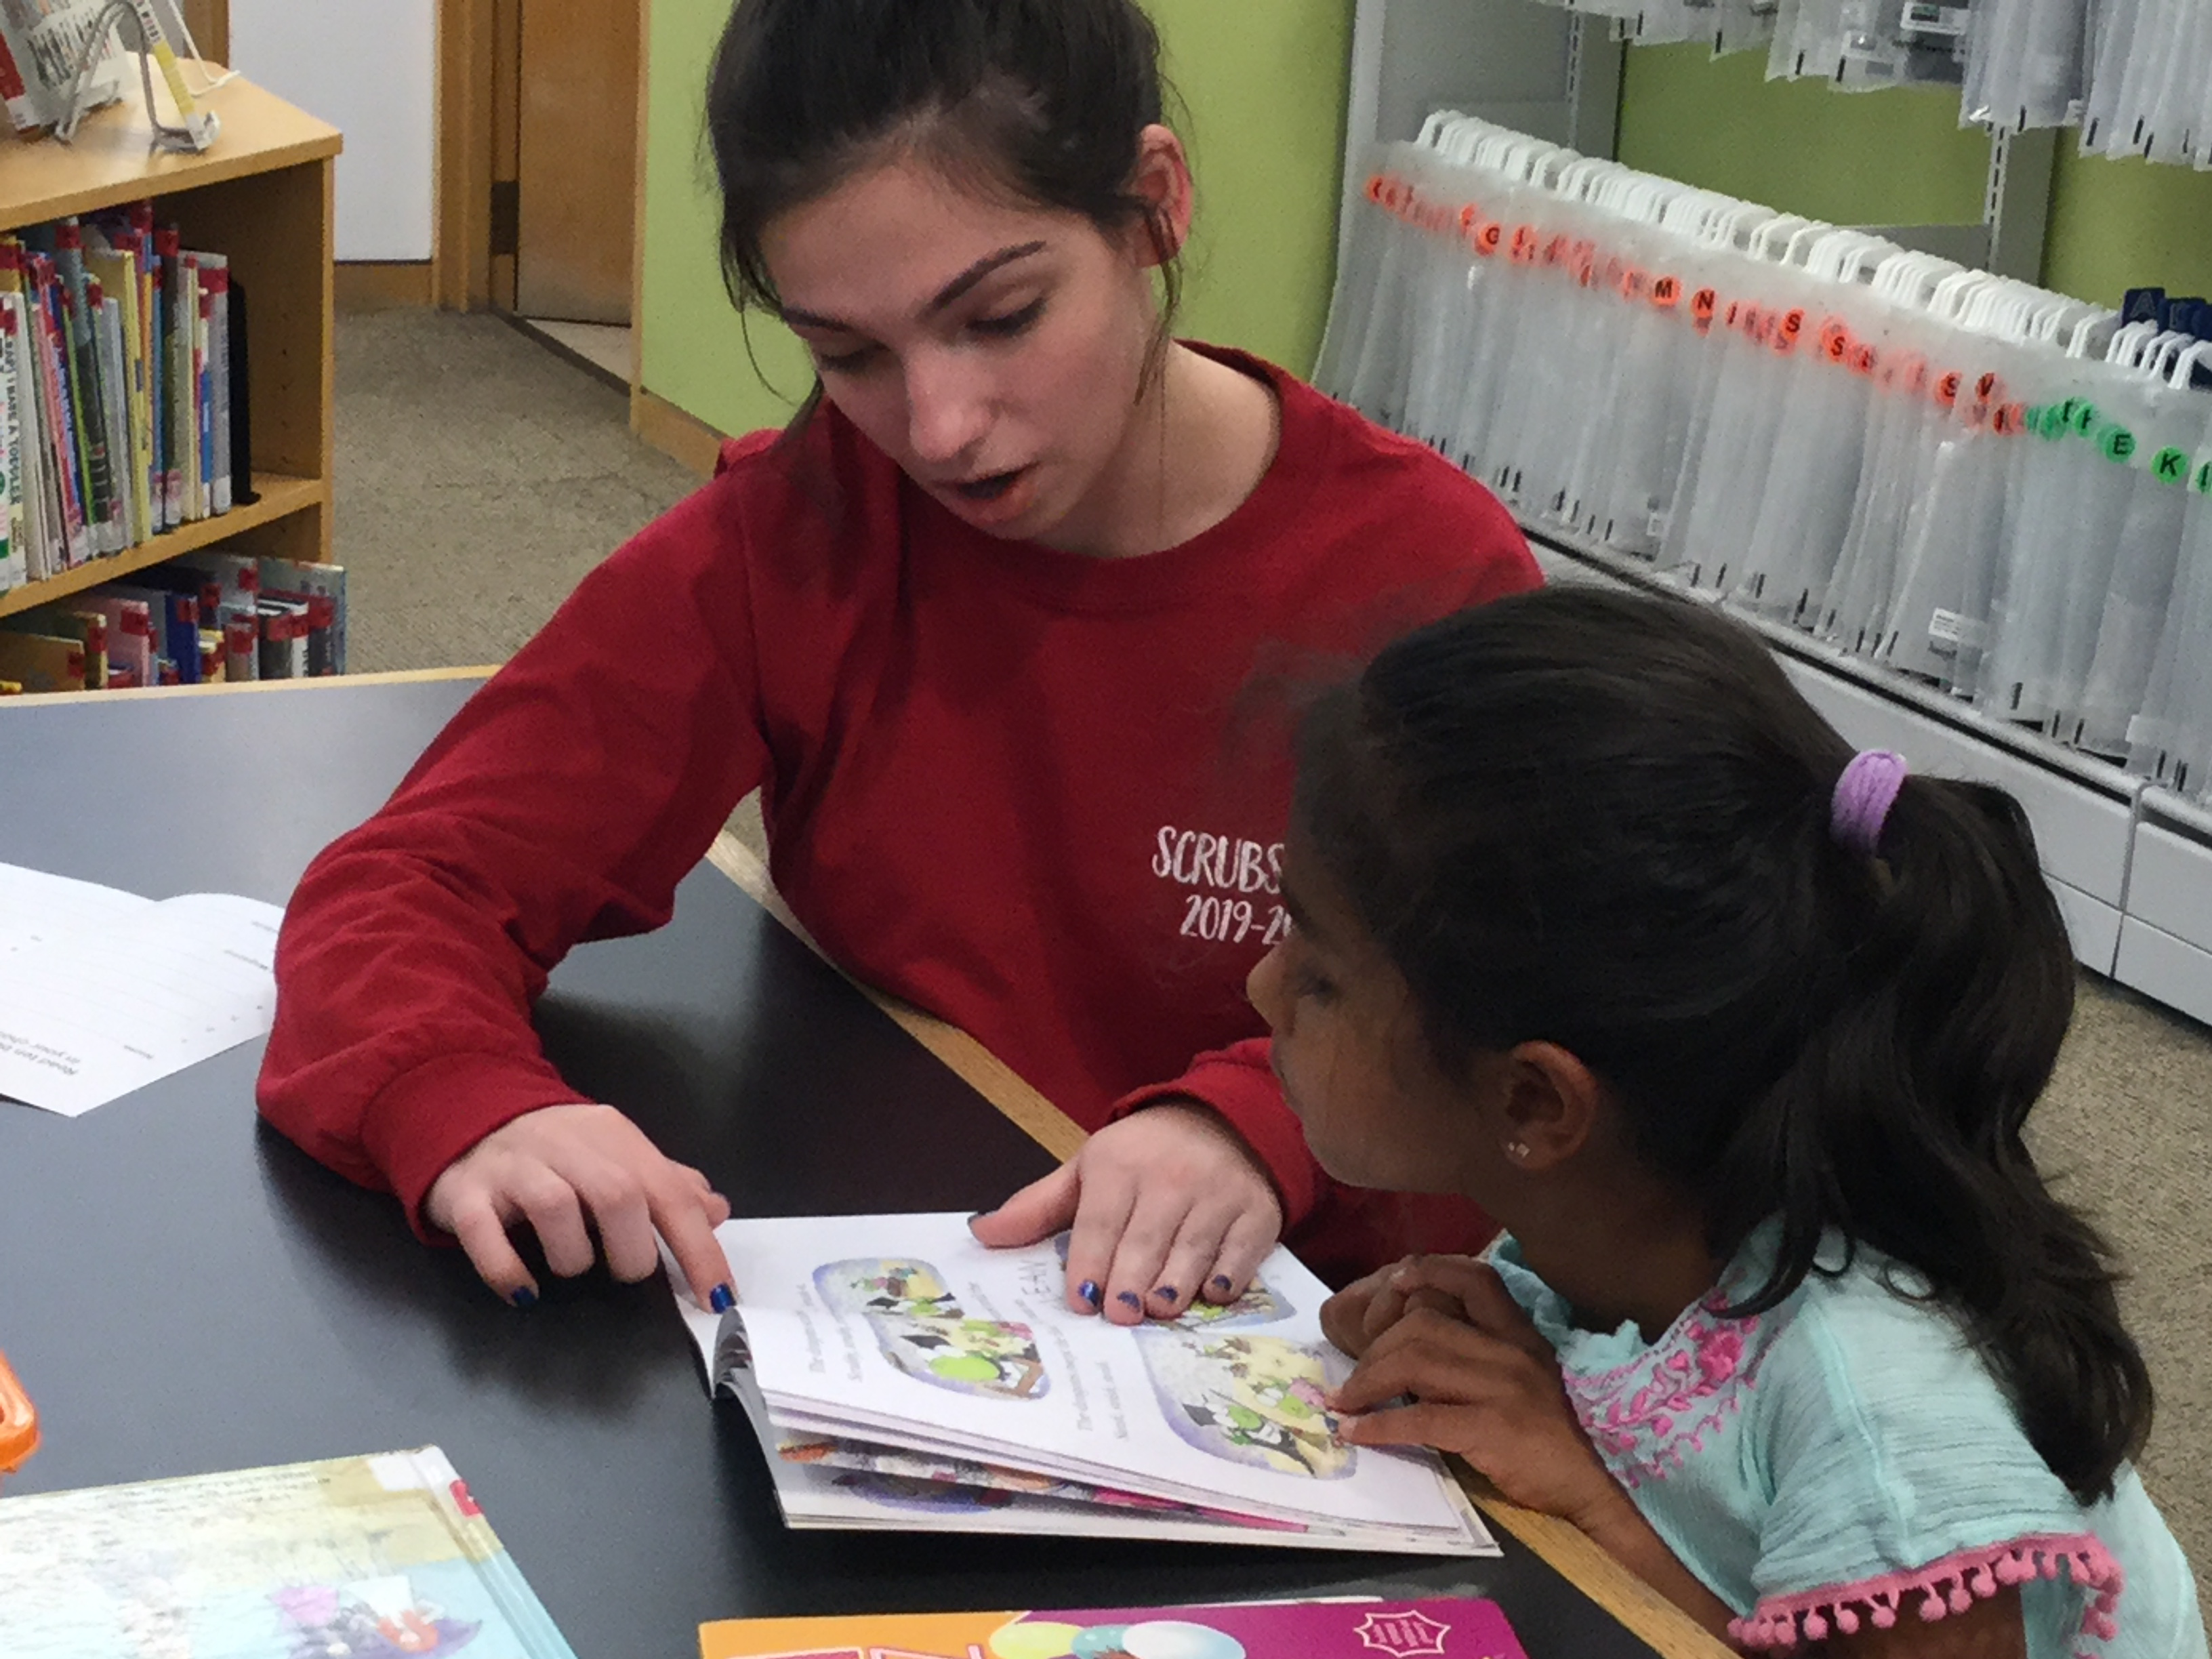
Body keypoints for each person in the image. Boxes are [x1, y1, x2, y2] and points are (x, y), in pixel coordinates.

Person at [255, 0, 1538, 1321]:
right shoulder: (802, 533)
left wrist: (1246, 1124)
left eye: (1001, 316)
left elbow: (1520, 1036)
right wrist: (471, 1104)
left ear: (1154, 208)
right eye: (849, 354)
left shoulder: (1427, 581)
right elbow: (410, 883)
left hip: (1316, 1366)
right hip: (923, 1323)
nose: (938, 427)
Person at [1248, 586, 2203, 1658]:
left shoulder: (1878, 1411)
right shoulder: (1619, 1212)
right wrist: (1497, 1342)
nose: (1261, 991)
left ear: (1534, 1100)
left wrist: (1592, 1507)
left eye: (1318, 974)